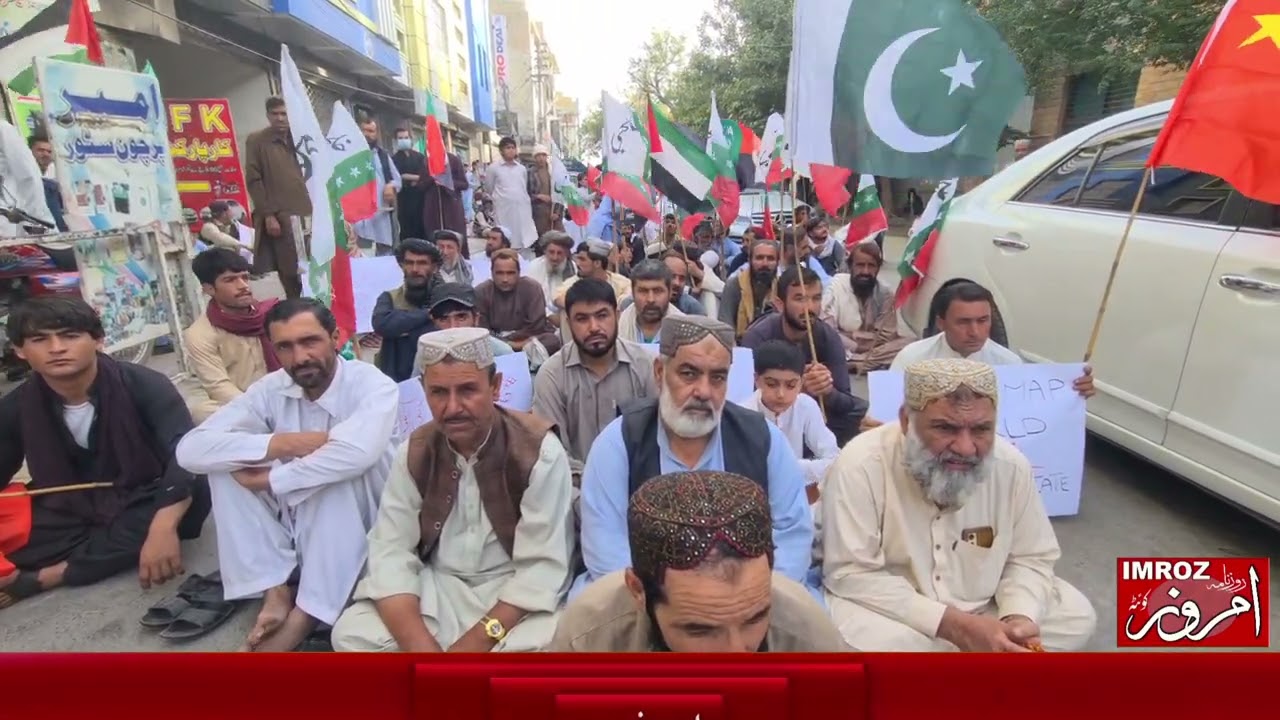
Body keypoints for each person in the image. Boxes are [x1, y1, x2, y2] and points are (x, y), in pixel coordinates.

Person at [821, 358, 1098, 652]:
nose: (965, 448)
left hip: (985, 608)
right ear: (906, 421)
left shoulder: (1011, 466)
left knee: (1076, 615)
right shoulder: (861, 464)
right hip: (899, 616)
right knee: (879, 643)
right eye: (945, 428)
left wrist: (1018, 617)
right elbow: (850, 572)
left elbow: (1030, 557)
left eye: (981, 429)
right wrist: (952, 625)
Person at [331, 328, 576, 652]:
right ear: (423, 390)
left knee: (550, 643)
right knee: (351, 634)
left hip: (511, 598)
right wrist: (422, 648)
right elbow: (391, 551)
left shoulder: (538, 451)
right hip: (437, 590)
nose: (453, 407)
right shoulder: (415, 451)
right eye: (438, 393)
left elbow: (540, 569)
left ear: (495, 386)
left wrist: (469, 649)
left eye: (467, 390)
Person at [175, 299, 399, 652]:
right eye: (285, 347)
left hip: (367, 522)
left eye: (310, 341)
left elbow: (358, 454)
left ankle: (305, 615)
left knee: (331, 475)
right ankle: (275, 588)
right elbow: (190, 450)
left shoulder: (371, 383)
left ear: (335, 338)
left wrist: (273, 479)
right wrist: (282, 443)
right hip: (301, 523)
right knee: (225, 468)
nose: (300, 357)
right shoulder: (272, 388)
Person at [574, 315, 815, 599]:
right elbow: (606, 550)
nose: (703, 391)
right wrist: (675, 605)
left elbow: (792, 535)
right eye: (689, 374)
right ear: (660, 372)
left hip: (749, 601)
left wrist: (745, 601)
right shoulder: (619, 443)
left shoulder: (763, 440)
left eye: (718, 377)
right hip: (645, 600)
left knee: (808, 617)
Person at [0, 296, 210, 607]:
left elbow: (185, 456)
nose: (56, 348)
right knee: (13, 527)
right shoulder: (15, 407)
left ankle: (48, 576)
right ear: (20, 350)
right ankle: (105, 550)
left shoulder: (143, 384)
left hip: (148, 493)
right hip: (70, 507)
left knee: (198, 487)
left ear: (98, 340)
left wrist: (163, 527)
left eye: (70, 336)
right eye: (39, 339)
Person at [549, 471, 847, 652]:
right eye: (700, 630)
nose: (735, 654)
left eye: (755, 619)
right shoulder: (587, 638)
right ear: (638, 590)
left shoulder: (809, 637)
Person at [532, 278, 657, 476]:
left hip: (638, 482)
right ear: (569, 324)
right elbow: (551, 453)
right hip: (576, 485)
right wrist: (592, 485)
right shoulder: (552, 375)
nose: (594, 327)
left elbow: (659, 438)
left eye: (602, 316)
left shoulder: (645, 365)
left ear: (617, 316)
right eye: (582, 319)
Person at [889, 282, 1094, 397]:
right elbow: (888, 408)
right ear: (941, 323)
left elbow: (1027, 409)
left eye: (983, 320)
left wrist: (1071, 393)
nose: (975, 331)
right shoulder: (912, 358)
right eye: (963, 322)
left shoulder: (1008, 363)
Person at [741, 267, 867, 445]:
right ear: (779, 304)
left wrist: (826, 390)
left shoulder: (828, 336)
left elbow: (846, 401)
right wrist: (797, 388)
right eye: (799, 299)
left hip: (817, 416)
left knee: (864, 413)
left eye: (816, 298)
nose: (809, 308)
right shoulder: (758, 336)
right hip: (769, 417)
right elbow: (743, 399)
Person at [184, 249, 278, 422]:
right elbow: (219, 387)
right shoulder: (200, 334)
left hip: (285, 392)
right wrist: (260, 409)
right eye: (230, 280)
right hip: (244, 404)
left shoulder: (272, 315)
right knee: (201, 412)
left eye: (245, 277)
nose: (243, 286)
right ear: (209, 289)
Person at [738, 340, 839, 489]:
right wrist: (804, 469)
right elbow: (746, 470)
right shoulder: (743, 414)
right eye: (771, 384)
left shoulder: (806, 406)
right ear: (757, 380)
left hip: (796, 488)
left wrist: (790, 467)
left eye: (791, 385)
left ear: (801, 382)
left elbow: (834, 460)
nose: (781, 394)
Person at [245, 96, 311, 299]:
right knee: (289, 268)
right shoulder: (257, 141)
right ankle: (296, 306)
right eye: (275, 114)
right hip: (282, 216)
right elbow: (254, 180)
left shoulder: (301, 138)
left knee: (316, 265)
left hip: (310, 213)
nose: (280, 118)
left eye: (284, 114)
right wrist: (268, 215)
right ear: (268, 115)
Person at [821, 240, 913, 374]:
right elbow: (827, 330)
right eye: (860, 265)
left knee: (910, 344)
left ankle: (855, 363)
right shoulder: (836, 286)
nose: (865, 271)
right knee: (826, 342)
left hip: (872, 349)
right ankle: (866, 362)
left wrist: (854, 338)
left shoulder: (884, 293)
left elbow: (885, 336)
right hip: (841, 346)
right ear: (850, 266)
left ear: (878, 268)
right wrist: (855, 342)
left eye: (871, 266)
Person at [371, 238, 444, 383]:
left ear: (434, 267)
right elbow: (382, 324)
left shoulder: (445, 297)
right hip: (396, 380)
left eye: (422, 263)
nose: (415, 269)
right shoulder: (389, 298)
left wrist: (403, 325)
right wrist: (427, 314)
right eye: (409, 263)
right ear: (402, 265)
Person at [474, 249, 560, 356]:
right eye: (500, 273)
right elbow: (482, 329)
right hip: (496, 342)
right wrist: (503, 342)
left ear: (519, 273)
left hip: (527, 340)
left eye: (510, 273)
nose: (505, 279)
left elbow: (536, 325)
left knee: (551, 340)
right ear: (492, 273)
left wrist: (514, 343)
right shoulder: (482, 291)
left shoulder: (532, 288)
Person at [353, 117, 402, 257]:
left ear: (376, 134)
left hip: (381, 219)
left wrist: (391, 186)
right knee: (361, 259)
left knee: (384, 258)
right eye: (364, 130)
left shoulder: (382, 156)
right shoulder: (348, 155)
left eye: (371, 131)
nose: (367, 134)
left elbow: (397, 180)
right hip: (358, 222)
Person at [424, 283, 514, 358]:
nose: (453, 326)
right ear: (434, 323)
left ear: (476, 319)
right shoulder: (426, 355)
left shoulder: (500, 353)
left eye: (461, 317)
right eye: (443, 319)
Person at [484, 137, 539, 256]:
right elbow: (489, 187)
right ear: (501, 151)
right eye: (508, 148)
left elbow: (523, 186)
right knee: (505, 233)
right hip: (503, 207)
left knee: (522, 234)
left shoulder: (521, 169)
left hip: (521, 207)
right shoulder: (493, 168)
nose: (511, 150)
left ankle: (520, 258)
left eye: (513, 148)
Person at [720, 239, 780, 338]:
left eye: (770, 259)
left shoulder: (781, 285)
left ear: (778, 262)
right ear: (749, 260)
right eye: (759, 258)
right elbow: (725, 326)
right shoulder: (735, 284)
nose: (765, 263)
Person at [617, 259, 685, 344]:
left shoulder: (685, 331)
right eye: (643, 291)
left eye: (657, 291)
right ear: (633, 293)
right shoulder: (618, 328)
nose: (650, 299)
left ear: (670, 292)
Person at [554, 239, 632, 311]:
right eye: (577, 258)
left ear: (597, 263)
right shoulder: (573, 283)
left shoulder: (622, 283)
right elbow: (558, 297)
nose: (577, 263)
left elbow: (626, 300)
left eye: (582, 259)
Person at [421, 143, 470, 256]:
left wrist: (447, 182)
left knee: (455, 238)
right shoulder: (427, 162)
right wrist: (432, 178)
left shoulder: (453, 160)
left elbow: (464, 184)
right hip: (433, 208)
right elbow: (420, 185)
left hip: (452, 208)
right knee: (434, 240)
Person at [391, 126, 427, 242]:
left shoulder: (419, 157)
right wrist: (417, 178)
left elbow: (426, 174)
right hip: (404, 201)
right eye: (400, 138)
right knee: (407, 231)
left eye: (406, 137)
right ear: (396, 140)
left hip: (421, 199)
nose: (404, 140)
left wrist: (409, 176)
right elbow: (397, 176)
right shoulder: (394, 159)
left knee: (423, 230)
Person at [526, 230, 575, 311]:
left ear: (566, 253)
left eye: (559, 253)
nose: (555, 257)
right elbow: (530, 297)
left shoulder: (572, 268)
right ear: (545, 251)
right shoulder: (534, 266)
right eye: (551, 252)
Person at [28, 133, 67, 231]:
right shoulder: (23, 181)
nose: (46, 154)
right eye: (41, 150)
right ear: (29, 152)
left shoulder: (55, 183)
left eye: (49, 151)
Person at [528, 145, 556, 239]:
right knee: (540, 238)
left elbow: (560, 193)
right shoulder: (530, 172)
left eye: (543, 155)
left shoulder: (553, 171)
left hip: (552, 210)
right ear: (535, 157)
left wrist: (557, 212)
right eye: (538, 155)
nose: (541, 158)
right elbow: (527, 194)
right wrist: (539, 196)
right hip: (537, 211)